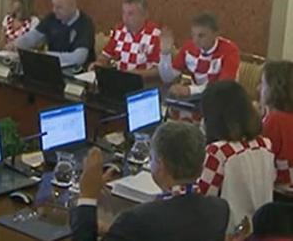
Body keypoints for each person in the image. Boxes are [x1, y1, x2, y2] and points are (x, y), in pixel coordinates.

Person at [72, 121, 230, 241]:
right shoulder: (219, 209)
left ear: (161, 165)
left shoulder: (137, 219)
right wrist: (113, 231)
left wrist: (87, 194)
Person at [198, 80, 275, 229]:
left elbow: (202, 201)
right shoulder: (265, 144)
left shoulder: (218, 152)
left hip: (227, 232)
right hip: (258, 228)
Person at [159, 13, 240, 97]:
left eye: (201, 36)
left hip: (223, 98)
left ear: (215, 34)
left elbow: (223, 87)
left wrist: (190, 90)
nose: (195, 40)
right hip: (197, 97)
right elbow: (168, 79)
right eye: (193, 35)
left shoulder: (229, 50)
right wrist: (165, 55)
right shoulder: (188, 48)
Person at [15, 0, 95, 69]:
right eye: (54, 6)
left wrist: (47, 56)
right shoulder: (52, 18)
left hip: (76, 72)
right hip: (53, 68)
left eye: (59, 7)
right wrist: (16, 44)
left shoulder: (85, 24)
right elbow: (33, 37)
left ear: (72, 6)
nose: (54, 10)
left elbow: (79, 58)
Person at [90, 0, 161, 78]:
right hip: (118, 79)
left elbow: (157, 71)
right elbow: (105, 55)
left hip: (141, 82)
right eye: (124, 13)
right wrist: (99, 64)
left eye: (130, 14)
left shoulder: (155, 35)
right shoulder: (119, 30)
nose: (125, 18)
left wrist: (132, 74)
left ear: (144, 15)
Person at [260, 60, 293, 189]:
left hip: (280, 189)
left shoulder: (275, 120)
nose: (258, 89)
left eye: (262, 84)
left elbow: (261, 157)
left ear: (274, 88)